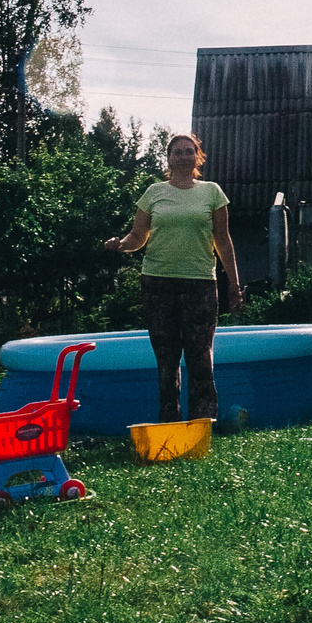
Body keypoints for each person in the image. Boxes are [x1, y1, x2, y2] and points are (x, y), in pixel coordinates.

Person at [106, 133, 242, 431]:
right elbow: (138, 236)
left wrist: (233, 282)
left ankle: (201, 427)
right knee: (167, 362)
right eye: (177, 152)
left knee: (200, 359)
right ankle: (168, 425)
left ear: (198, 156)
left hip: (200, 284)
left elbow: (223, 240)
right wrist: (121, 244)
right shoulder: (154, 192)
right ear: (168, 158)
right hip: (157, 284)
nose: (183, 156)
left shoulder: (212, 192)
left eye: (188, 151)